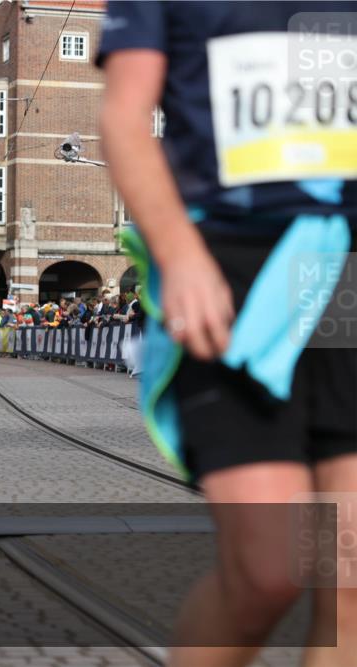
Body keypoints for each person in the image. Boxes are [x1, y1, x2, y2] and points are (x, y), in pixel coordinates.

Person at [100, 3, 357, 665]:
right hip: (232, 270)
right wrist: (180, 255)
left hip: (347, 275)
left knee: (348, 594)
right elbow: (126, 119)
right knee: (268, 573)